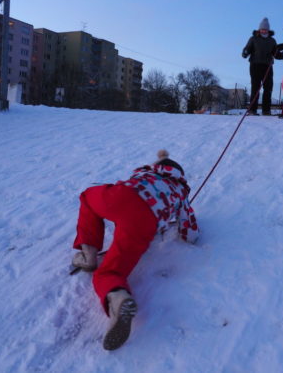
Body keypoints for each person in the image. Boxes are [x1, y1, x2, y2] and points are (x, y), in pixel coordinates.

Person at [71, 150, 199, 350]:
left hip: (121, 196)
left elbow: (129, 181)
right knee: (112, 271)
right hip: (144, 223)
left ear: (159, 165)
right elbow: (190, 233)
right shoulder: (180, 192)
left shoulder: (146, 171)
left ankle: (88, 254)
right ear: (179, 174)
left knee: (88, 198)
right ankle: (118, 298)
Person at [242, 18, 278, 116]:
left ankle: (266, 110)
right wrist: (245, 52)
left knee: (268, 88)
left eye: (265, 29)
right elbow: (247, 48)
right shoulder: (253, 38)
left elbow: (275, 53)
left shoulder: (272, 40)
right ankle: (252, 110)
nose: (264, 31)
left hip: (267, 66)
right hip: (255, 65)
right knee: (255, 87)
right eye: (262, 29)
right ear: (259, 29)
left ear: (268, 30)